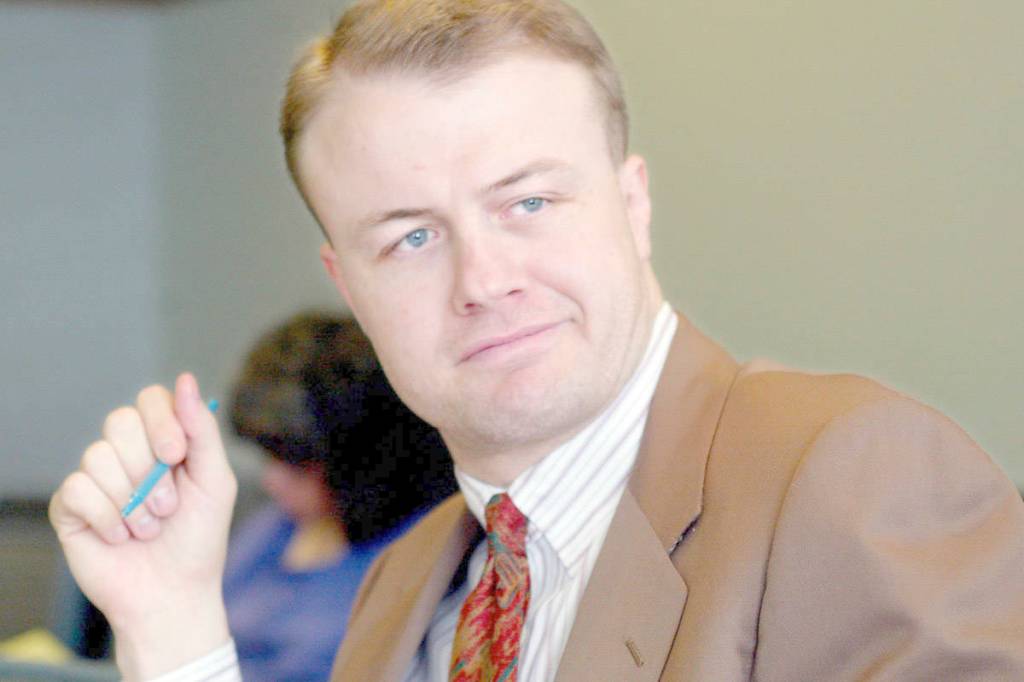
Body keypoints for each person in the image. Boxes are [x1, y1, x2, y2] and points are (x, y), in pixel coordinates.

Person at [49, 0, 1024, 680]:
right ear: (350, 286)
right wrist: (172, 626)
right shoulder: (402, 581)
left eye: (529, 202)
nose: (484, 280)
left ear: (633, 205)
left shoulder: (849, 473)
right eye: (411, 238)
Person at [224, 311, 455, 681]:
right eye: (270, 457)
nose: (272, 481)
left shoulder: (418, 560)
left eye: (297, 464)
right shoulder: (271, 528)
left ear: (357, 460)